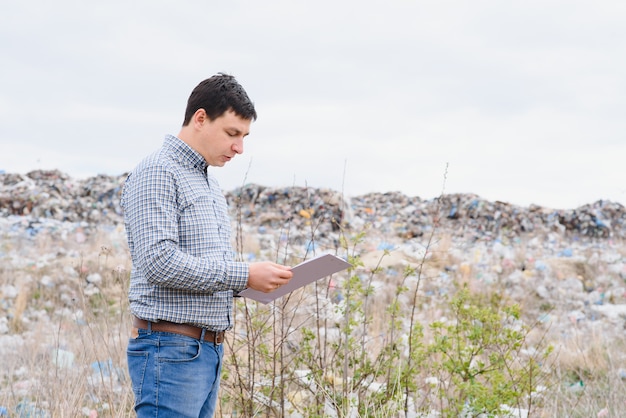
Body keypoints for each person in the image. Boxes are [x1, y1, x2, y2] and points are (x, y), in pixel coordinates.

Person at [120, 73, 293, 417]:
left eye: (244, 137)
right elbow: (158, 262)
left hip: (205, 350)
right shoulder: (158, 171)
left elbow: (210, 271)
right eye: (232, 134)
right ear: (200, 118)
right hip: (169, 350)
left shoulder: (210, 187)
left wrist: (257, 281)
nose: (239, 148)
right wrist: (243, 274)